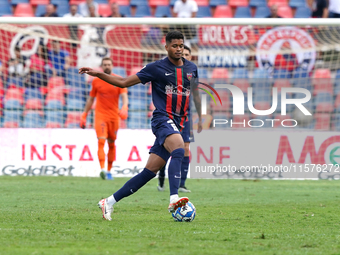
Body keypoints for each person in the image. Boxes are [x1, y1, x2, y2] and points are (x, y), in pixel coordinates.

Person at [79, 31, 202, 221]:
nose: (178, 49)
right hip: (162, 119)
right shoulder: (156, 68)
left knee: (149, 172)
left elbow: (195, 93)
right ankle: (174, 198)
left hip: (178, 122)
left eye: (181, 45)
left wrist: (200, 116)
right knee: (179, 148)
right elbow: (123, 82)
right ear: (167, 47)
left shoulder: (191, 68)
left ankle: (108, 202)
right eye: (175, 46)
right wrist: (98, 74)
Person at [80, 57, 128, 180]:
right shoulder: (96, 81)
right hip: (100, 116)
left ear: (112, 66)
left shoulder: (118, 79)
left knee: (112, 144)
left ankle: (109, 171)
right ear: (102, 67)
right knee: (101, 141)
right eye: (105, 64)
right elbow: (91, 99)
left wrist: (125, 107)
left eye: (109, 64)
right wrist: (84, 114)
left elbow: (124, 95)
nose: (107, 66)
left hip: (114, 117)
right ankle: (102, 169)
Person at [157, 45, 193, 193]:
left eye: (187, 54)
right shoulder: (170, 72)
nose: (185, 56)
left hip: (186, 117)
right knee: (170, 149)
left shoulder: (192, 72)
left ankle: (182, 184)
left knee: (185, 148)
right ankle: (161, 176)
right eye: (183, 54)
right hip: (170, 115)